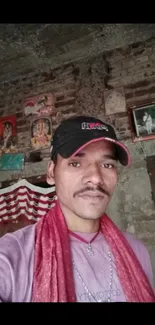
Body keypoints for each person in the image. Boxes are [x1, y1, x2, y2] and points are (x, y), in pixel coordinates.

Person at [0, 115, 155, 303]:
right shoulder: (13, 256)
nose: (96, 178)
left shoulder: (136, 251)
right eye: (75, 163)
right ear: (51, 173)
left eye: (107, 165)